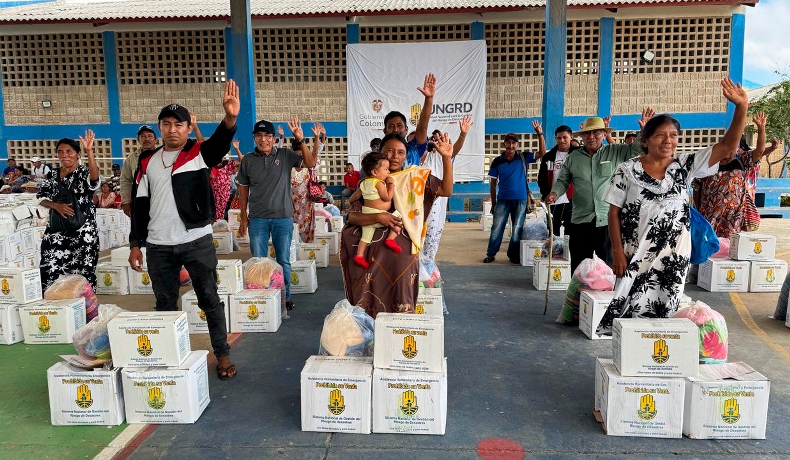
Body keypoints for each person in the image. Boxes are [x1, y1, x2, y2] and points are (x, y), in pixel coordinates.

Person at [596, 79, 749, 335]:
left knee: (665, 308)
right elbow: (614, 212)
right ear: (645, 140)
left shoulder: (684, 166)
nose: (668, 141)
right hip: (636, 252)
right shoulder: (627, 170)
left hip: (674, 257)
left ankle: (657, 362)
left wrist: (741, 107)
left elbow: (727, 147)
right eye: (660, 135)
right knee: (629, 307)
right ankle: (631, 361)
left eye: (674, 135)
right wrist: (618, 252)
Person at [127, 81, 239, 380]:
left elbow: (220, 143)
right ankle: (169, 354)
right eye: (166, 124)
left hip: (195, 241)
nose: (172, 129)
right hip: (158, 246)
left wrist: (229, 119)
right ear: (159, 128)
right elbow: (139, 206)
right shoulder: (147, 162)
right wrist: (136, 243)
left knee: (209, 299)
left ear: (189, 128)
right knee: (164, 303)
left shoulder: (199, 153)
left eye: (179, 124)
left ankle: (222, 352)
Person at [340, 132, 455, 317]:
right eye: (390, 151)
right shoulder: (369, 182)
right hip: (371, 244)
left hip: (400, 246)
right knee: (364, 282)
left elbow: (446, 189)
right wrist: (379, 217)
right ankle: (367, 327)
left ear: (406, 154)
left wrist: (447, 158)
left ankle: (398, 328)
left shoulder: (414, 177)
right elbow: (352, 217)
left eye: (401, 152)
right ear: (380, 152)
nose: (395, 156)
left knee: (401, 276)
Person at [545, 110, 654, 273]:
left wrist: (645, 130)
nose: (591, 136)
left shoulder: (615, 151)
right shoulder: (573, 158)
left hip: (608, 220)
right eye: (587, 133)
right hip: (581, 220)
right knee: (579, 268)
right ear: (582, 136)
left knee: (608, 266)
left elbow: (636, 149)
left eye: (596, 132)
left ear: (604, 134)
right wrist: (554, 193)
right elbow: (563, 180)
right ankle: (579, 298)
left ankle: (605, 298)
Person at [235, 117, 316, 311]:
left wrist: (301, 139)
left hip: (283, 218)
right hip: (257, 219)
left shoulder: (285, 155)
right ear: (254, 138)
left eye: (268, 136)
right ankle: (261, 296)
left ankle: (284, 297)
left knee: (283, 261)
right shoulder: (247, 160)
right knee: (258, 262)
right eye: (259, 136)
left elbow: (311, 163)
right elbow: (243, 190)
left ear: (273, 138)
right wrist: (243, 219)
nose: (264, 140)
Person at [693, 111, 773, 239]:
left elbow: (760, 151)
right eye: (728, 147)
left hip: (734, 216)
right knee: (709, 243)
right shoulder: (708, 162)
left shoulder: (742, 160)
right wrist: (697, 212)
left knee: (731, 249)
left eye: (734, 148)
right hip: (709, 214)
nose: (730, 152)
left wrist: (761, 128)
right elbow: (696, 189)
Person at [37, 131, 100, 290]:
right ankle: (55, 305)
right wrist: (55, 205)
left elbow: (94, 179)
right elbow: (40, 199)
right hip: (56, 231)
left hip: (82, 232)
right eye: (60, 152)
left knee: (83, 271)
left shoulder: (84, 171)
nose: (64, 155)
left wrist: (90, 151)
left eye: (69, 151)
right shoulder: (52, 174)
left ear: (78, 154)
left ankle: (85, 309)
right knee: (49, 268)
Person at [483, 132, 534, 264]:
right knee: (497, 227)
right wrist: (493, 203)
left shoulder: (524, 157)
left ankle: (513, 255)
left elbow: (542, 152)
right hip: (503, 200)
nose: (511, 145)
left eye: (513, 143)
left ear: (517, 145)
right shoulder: (497, 161)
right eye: (508, 142)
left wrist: (539, 134)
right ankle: (491, 253)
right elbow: (493, 184)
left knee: (517, 228)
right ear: (504, 144)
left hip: (521, 200)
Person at [348, 151, 401, 268]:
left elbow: (356, 196)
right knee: (400, 218)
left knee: (365, 238)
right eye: (386, 169)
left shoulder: (363, 183)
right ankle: (391, 239)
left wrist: (350, 201)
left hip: (367, 215)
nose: (388, 172)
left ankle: (359, 256)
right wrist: (391, 184)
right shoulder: (378, 183)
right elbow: (387, 197)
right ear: (374, 172)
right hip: (380, 215)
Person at [537, 123, 580, 237]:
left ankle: (568, 253)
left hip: (573, 199)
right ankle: (554, 251)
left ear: (571, 137)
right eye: (559, 138)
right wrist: (545, 194)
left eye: (565, 137)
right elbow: (541, 178)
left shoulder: (579, 154)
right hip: (553, 198)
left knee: (571, 231)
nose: (562, 140)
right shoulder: (548, 156)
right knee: (552, 230)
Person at [290, 123, 323, 244]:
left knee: (307, 227)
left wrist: (316, 138)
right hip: (291, 206)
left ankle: (306, 249)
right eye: (297, 154)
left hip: (307, 205)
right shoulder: (288, 167)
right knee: (293, 228)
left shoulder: (310, 167)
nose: (299, 156)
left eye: (301, 154)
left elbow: (315, 154)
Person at [120, 125, 159, 217]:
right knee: (140, 229)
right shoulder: (131, 159)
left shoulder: (162, 155)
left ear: (156, 140)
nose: (147, 139)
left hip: (159, 200)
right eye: (143, 136)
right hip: (139, 201)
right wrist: (126, 201)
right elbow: (126, 180)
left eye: (150, 136)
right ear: (138, 140)